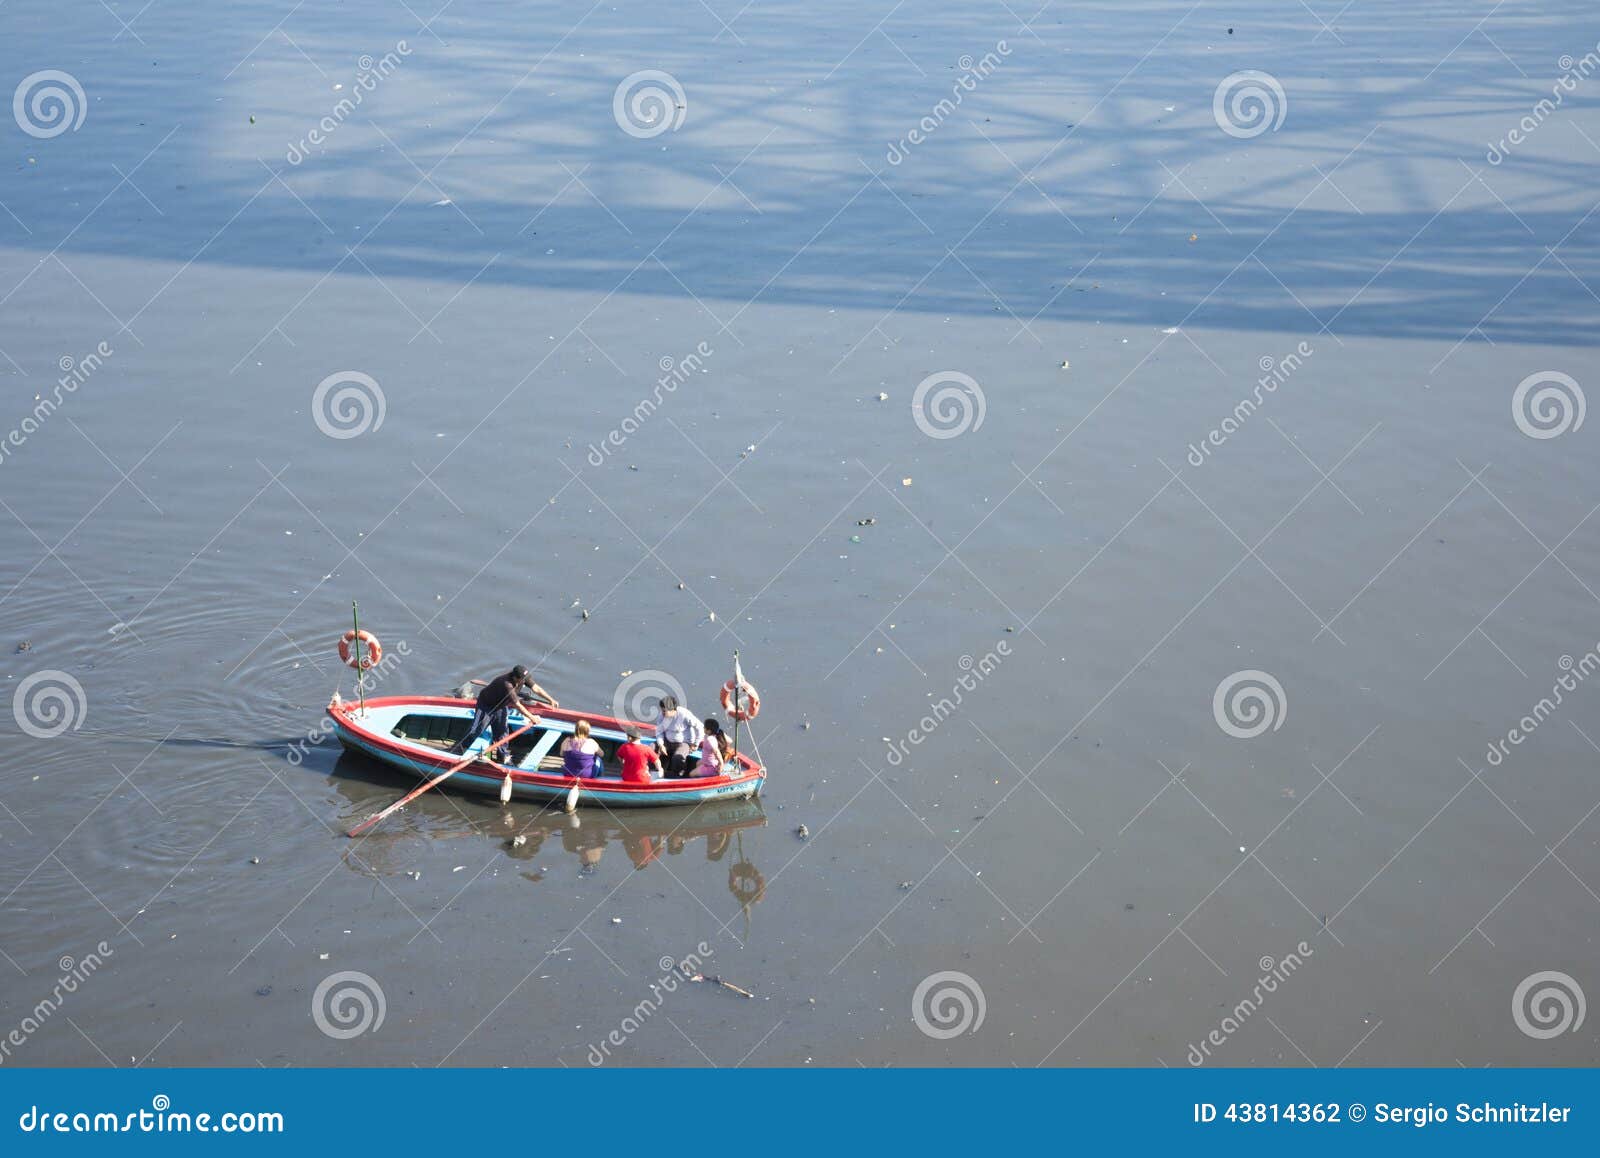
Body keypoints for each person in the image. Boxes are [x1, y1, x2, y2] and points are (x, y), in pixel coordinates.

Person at [450, 665, 553, 756]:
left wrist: (550, 699)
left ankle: (503, 755)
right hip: (486, 705)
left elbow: (536, 688)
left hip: (501, 705)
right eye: (523, 680)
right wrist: (532, 717)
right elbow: (517, 705)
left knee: (502, 732)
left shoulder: (523, 678)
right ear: (516, 678)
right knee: (477, 729)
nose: (525, 682)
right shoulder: (507, 685)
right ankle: (461, 748)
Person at [653, 694, 704, 779]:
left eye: (665, 711)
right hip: (667, 741)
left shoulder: (684, 714)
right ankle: (653, 770)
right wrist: (661, 745)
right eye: (662, 710)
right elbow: (659, 732)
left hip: (683, 743)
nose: (662, 713)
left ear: (673, 710)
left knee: (677, 758)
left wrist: (696, 743)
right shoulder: (661, 716)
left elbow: (700, 727)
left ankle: (677, 774)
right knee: (652, 748)